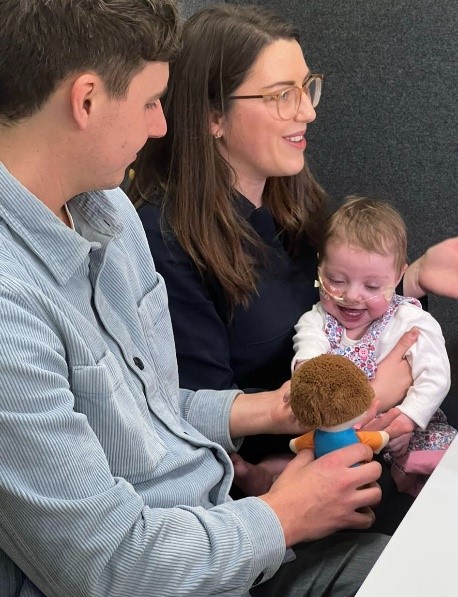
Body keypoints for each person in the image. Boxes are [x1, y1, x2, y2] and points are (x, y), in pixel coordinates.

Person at [0, 1, 398, 597]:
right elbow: (110, 567)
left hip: (221, 531)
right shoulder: (12, 309)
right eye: (151, 102)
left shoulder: (106, 215)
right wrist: (286, 514)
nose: (162, 125)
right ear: (85, 102)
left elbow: (150, 409)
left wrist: (271, 409)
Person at [126, 3, 458, 502]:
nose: (308, 110)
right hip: (280, 493)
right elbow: (198, 420)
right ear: (214, 117)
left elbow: (331, 309)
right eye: (283, 95)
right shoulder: (166, 241)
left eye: (306, 88)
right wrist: (373, 394)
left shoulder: (294, 203)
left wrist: (409, 281)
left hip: (361, 448)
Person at [291, 195, 455, 496]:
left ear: (398, 276)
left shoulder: (410, 320)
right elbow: (308, 359)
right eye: (336, 280)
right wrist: (306, 376)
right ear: (320, 268)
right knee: (306, 460)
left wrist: (407, 418)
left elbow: (436, 375)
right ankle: (266, 477)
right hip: (340, 437)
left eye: (372, 286)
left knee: (442, 462)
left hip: (409, 427)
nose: (352, 296)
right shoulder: (316, 321)